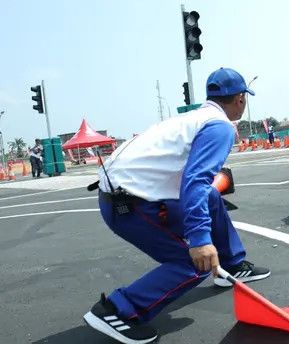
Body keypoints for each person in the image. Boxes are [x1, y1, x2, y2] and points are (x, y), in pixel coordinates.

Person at [83, 68, 270, 344]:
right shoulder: (219, 127)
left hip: (122, 195)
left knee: (211, 197)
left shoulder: (193, 118)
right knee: (195, 263)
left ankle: (231, 265)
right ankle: (117, 310)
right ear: (241, 99)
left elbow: (198, 185)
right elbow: (195, 180)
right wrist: (200, 239)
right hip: (129, 206)